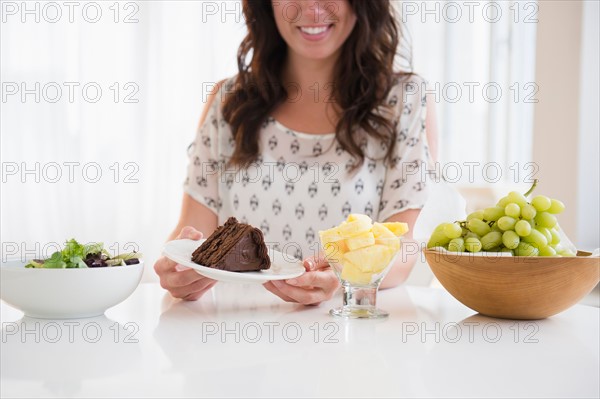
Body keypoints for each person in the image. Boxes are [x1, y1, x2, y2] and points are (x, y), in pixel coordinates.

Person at [154, 0, 438, 304]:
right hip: (236, 335)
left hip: (349, 337)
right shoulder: (229, 101)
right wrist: (178, 269)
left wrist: (346, 275)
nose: (311, 8)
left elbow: (402, 247)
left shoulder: (404, 100)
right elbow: (193, 233)